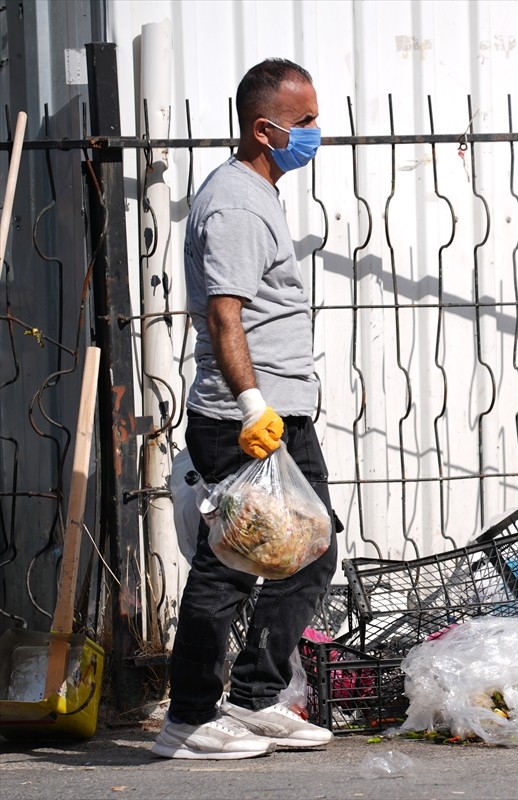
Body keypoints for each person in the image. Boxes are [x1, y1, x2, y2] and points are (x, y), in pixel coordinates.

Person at [153, 58, 339, 760]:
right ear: (267, 128)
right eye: (307, 122)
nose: (316, 134)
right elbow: (225, 317)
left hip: (281, 412)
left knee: (310, 552)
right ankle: (189, 719)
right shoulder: (233, 201)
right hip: (246, 419)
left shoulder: (259, 191)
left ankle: (256, 699)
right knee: (230, 565)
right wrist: (253, 406)